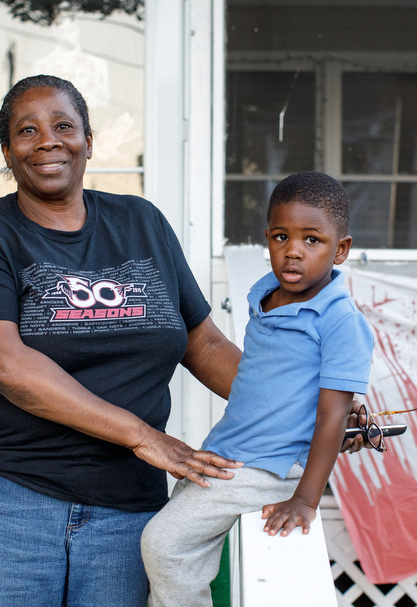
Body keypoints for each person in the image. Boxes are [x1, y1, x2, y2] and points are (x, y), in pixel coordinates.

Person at [0, 74, 247, 607]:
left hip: (128, 501)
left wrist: (303, 407)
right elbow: (4, 364)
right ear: (7, 152)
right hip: (13, 494)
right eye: (27, 131)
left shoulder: (142, 222)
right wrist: (142, 436)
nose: (47, 141)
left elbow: (205, 345)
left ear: (88, 140)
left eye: (63, 126)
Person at [140, 171, 375, 607]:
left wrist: (305, 499)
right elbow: (272, 378)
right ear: (267, 238)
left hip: (269, 467)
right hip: (227, 451)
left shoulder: (341, 320)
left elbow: (332, 414)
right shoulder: (265, 295)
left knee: (164, 543)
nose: (293, 251)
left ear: (340, 249)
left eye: (312, 240)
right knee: (182, 548)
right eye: (282, 237)